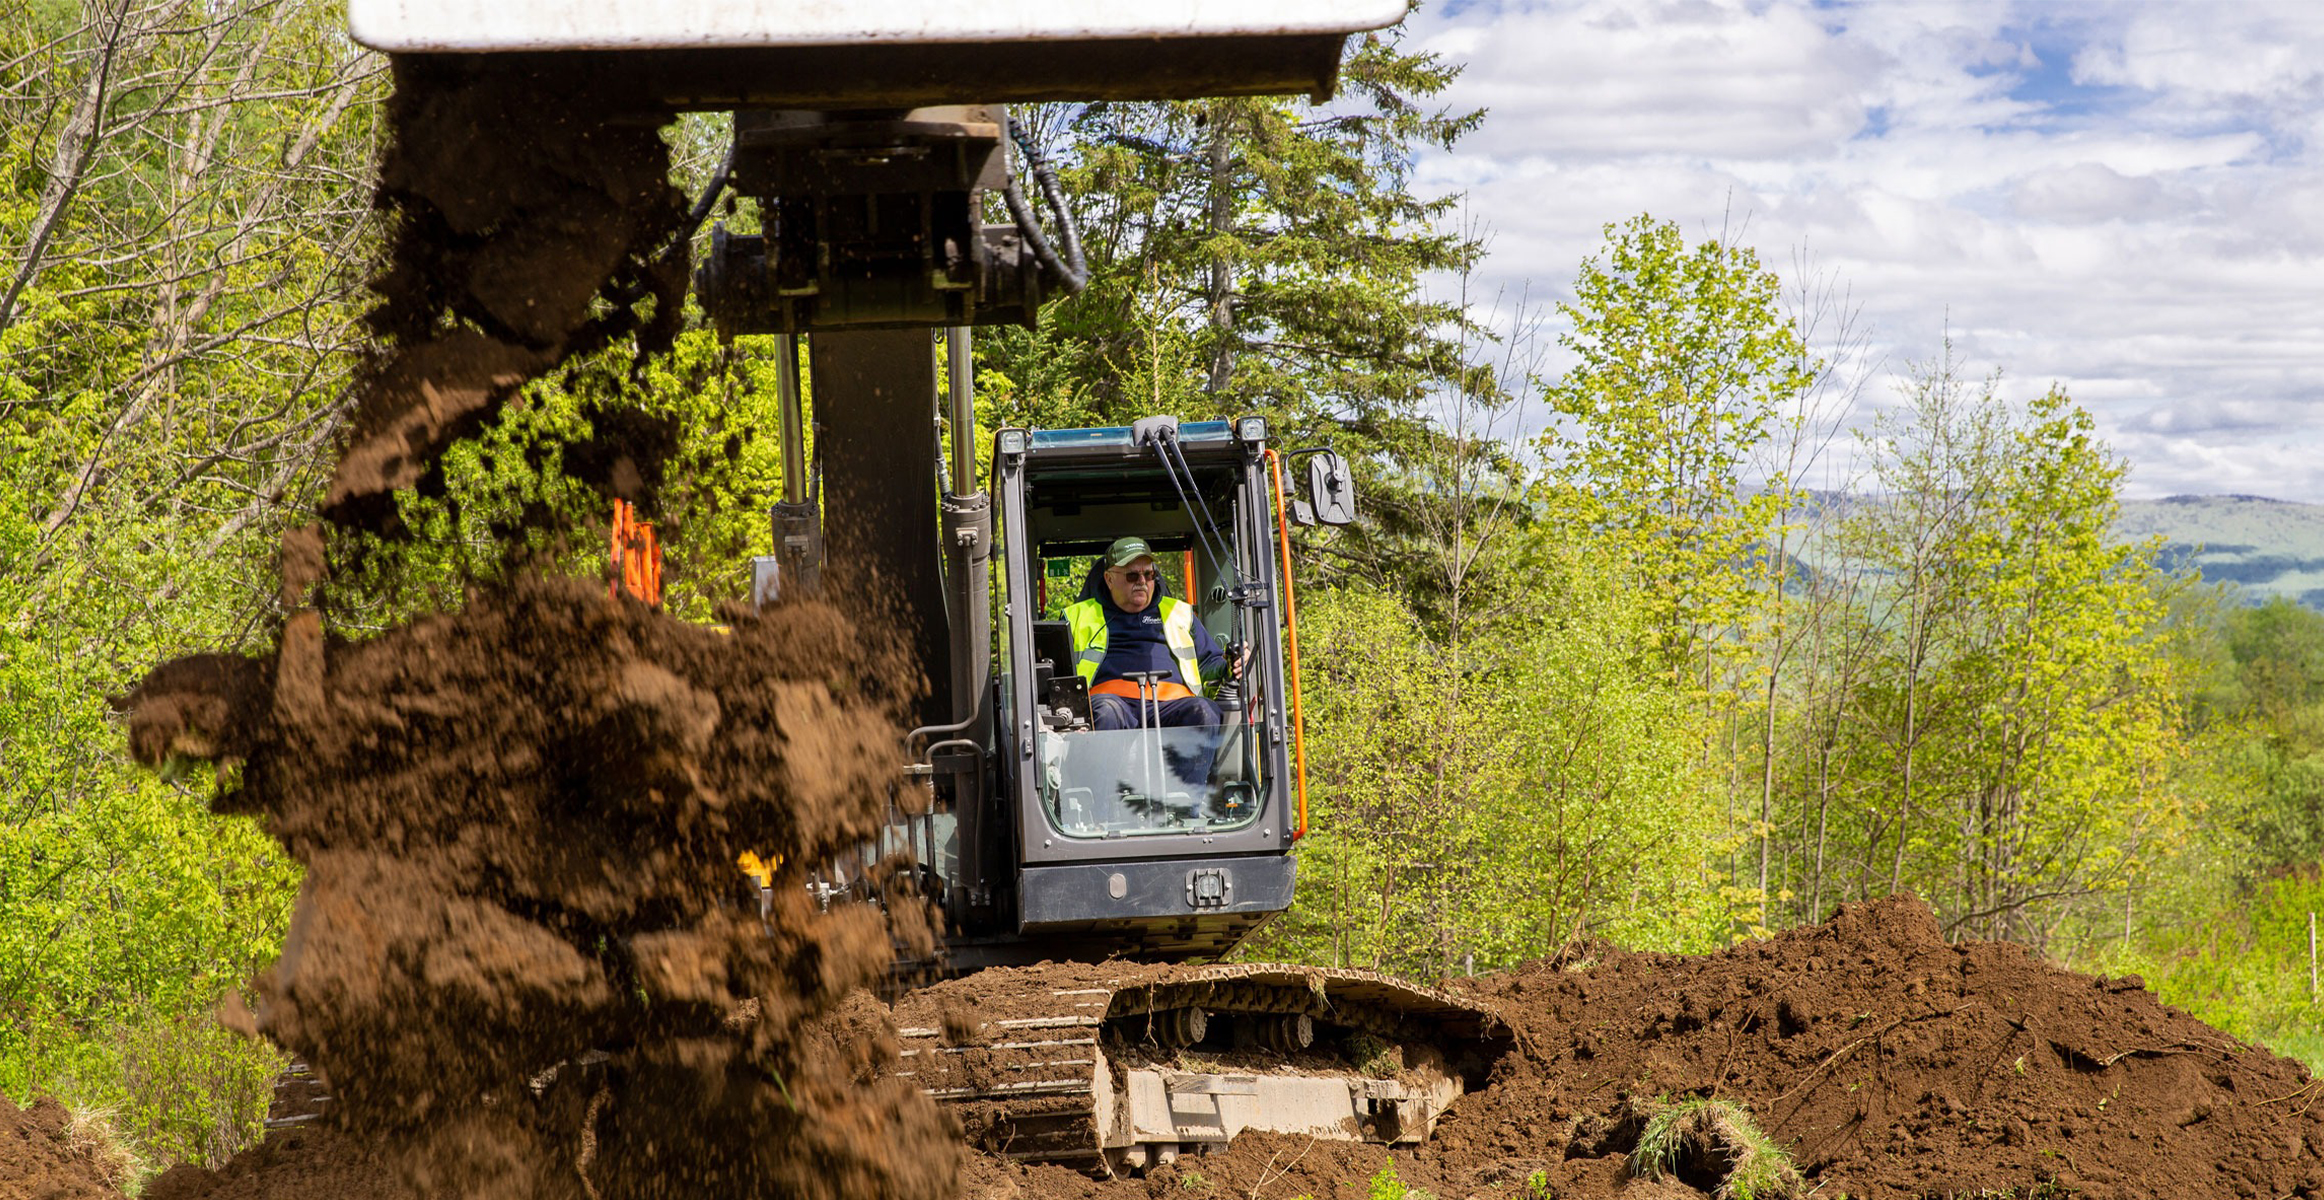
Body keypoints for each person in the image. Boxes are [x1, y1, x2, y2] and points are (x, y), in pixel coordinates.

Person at [1064, 536, 1229, 731]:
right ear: (1109, 579)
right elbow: (1056, 675)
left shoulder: (1179, 613)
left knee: (1204, 710)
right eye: (1132, 576)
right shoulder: (1076, 616)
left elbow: (1209, 662)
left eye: (1149, 575)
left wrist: (1229, 665)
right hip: (1111, 704)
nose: (1142, 581)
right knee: (1105, 712)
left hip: (1171, 704)